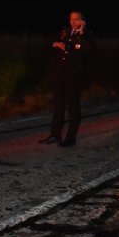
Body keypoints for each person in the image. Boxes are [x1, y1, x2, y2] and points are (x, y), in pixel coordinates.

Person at [39, 10, 93, 147]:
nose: (73, 22)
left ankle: (70, 137)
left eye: (77, 19)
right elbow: (48, 41)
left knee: (73, 107)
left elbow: (87, 50)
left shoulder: (86, 35)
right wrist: (56, 44)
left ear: (82, 21)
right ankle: (55, 134)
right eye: (71, 19)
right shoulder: (65, 32)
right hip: (60, 75)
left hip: (74, 76)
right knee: (58, 106)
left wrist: (82, 32)